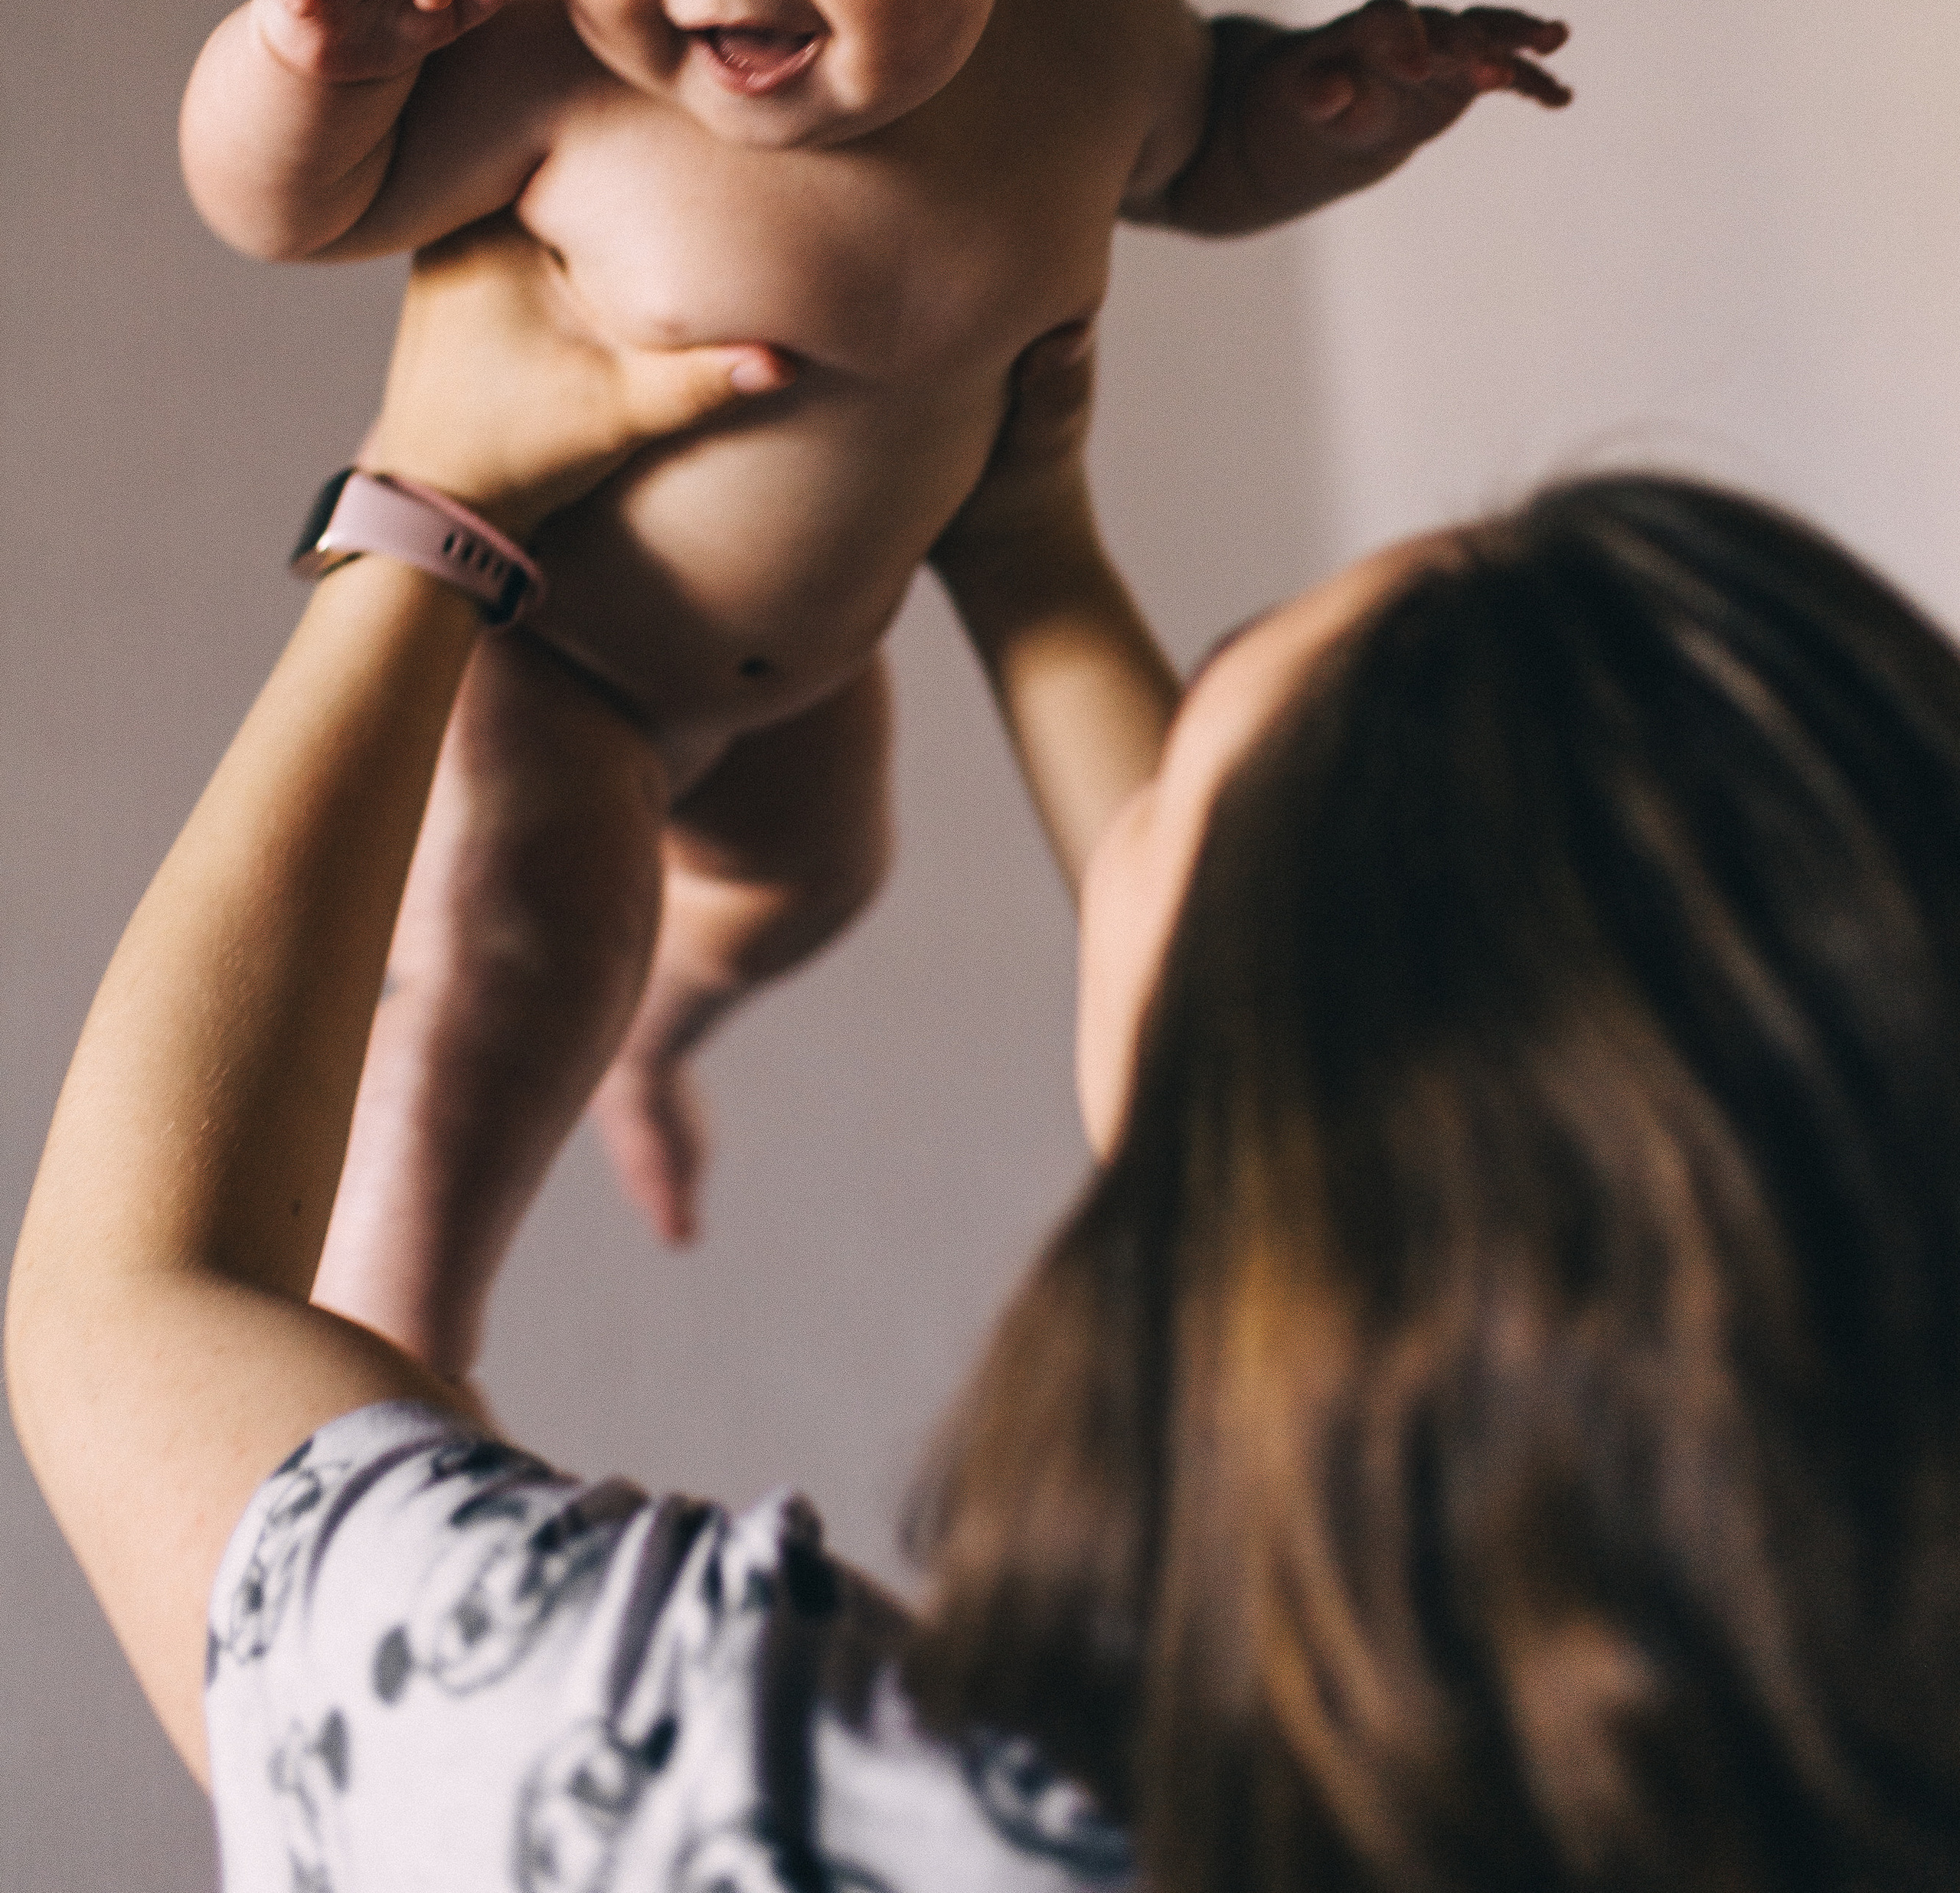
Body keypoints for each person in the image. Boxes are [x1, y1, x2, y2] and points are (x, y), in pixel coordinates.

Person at [12, 222, 1960, 1891]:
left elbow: (130, 1314)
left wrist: (421, 505)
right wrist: (1025, 550)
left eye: (1187, 738)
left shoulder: (760, 1797)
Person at [176, 0, 1571, 1381]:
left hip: (814, 677)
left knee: (812, 886)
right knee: (526, 954)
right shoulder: (557, 78)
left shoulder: (1099, 54)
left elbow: (1211, 156)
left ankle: (672, 1029)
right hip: (555, 659)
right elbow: (287, 211)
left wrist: (1341, 103)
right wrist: (313, 61)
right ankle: (406, 1326)